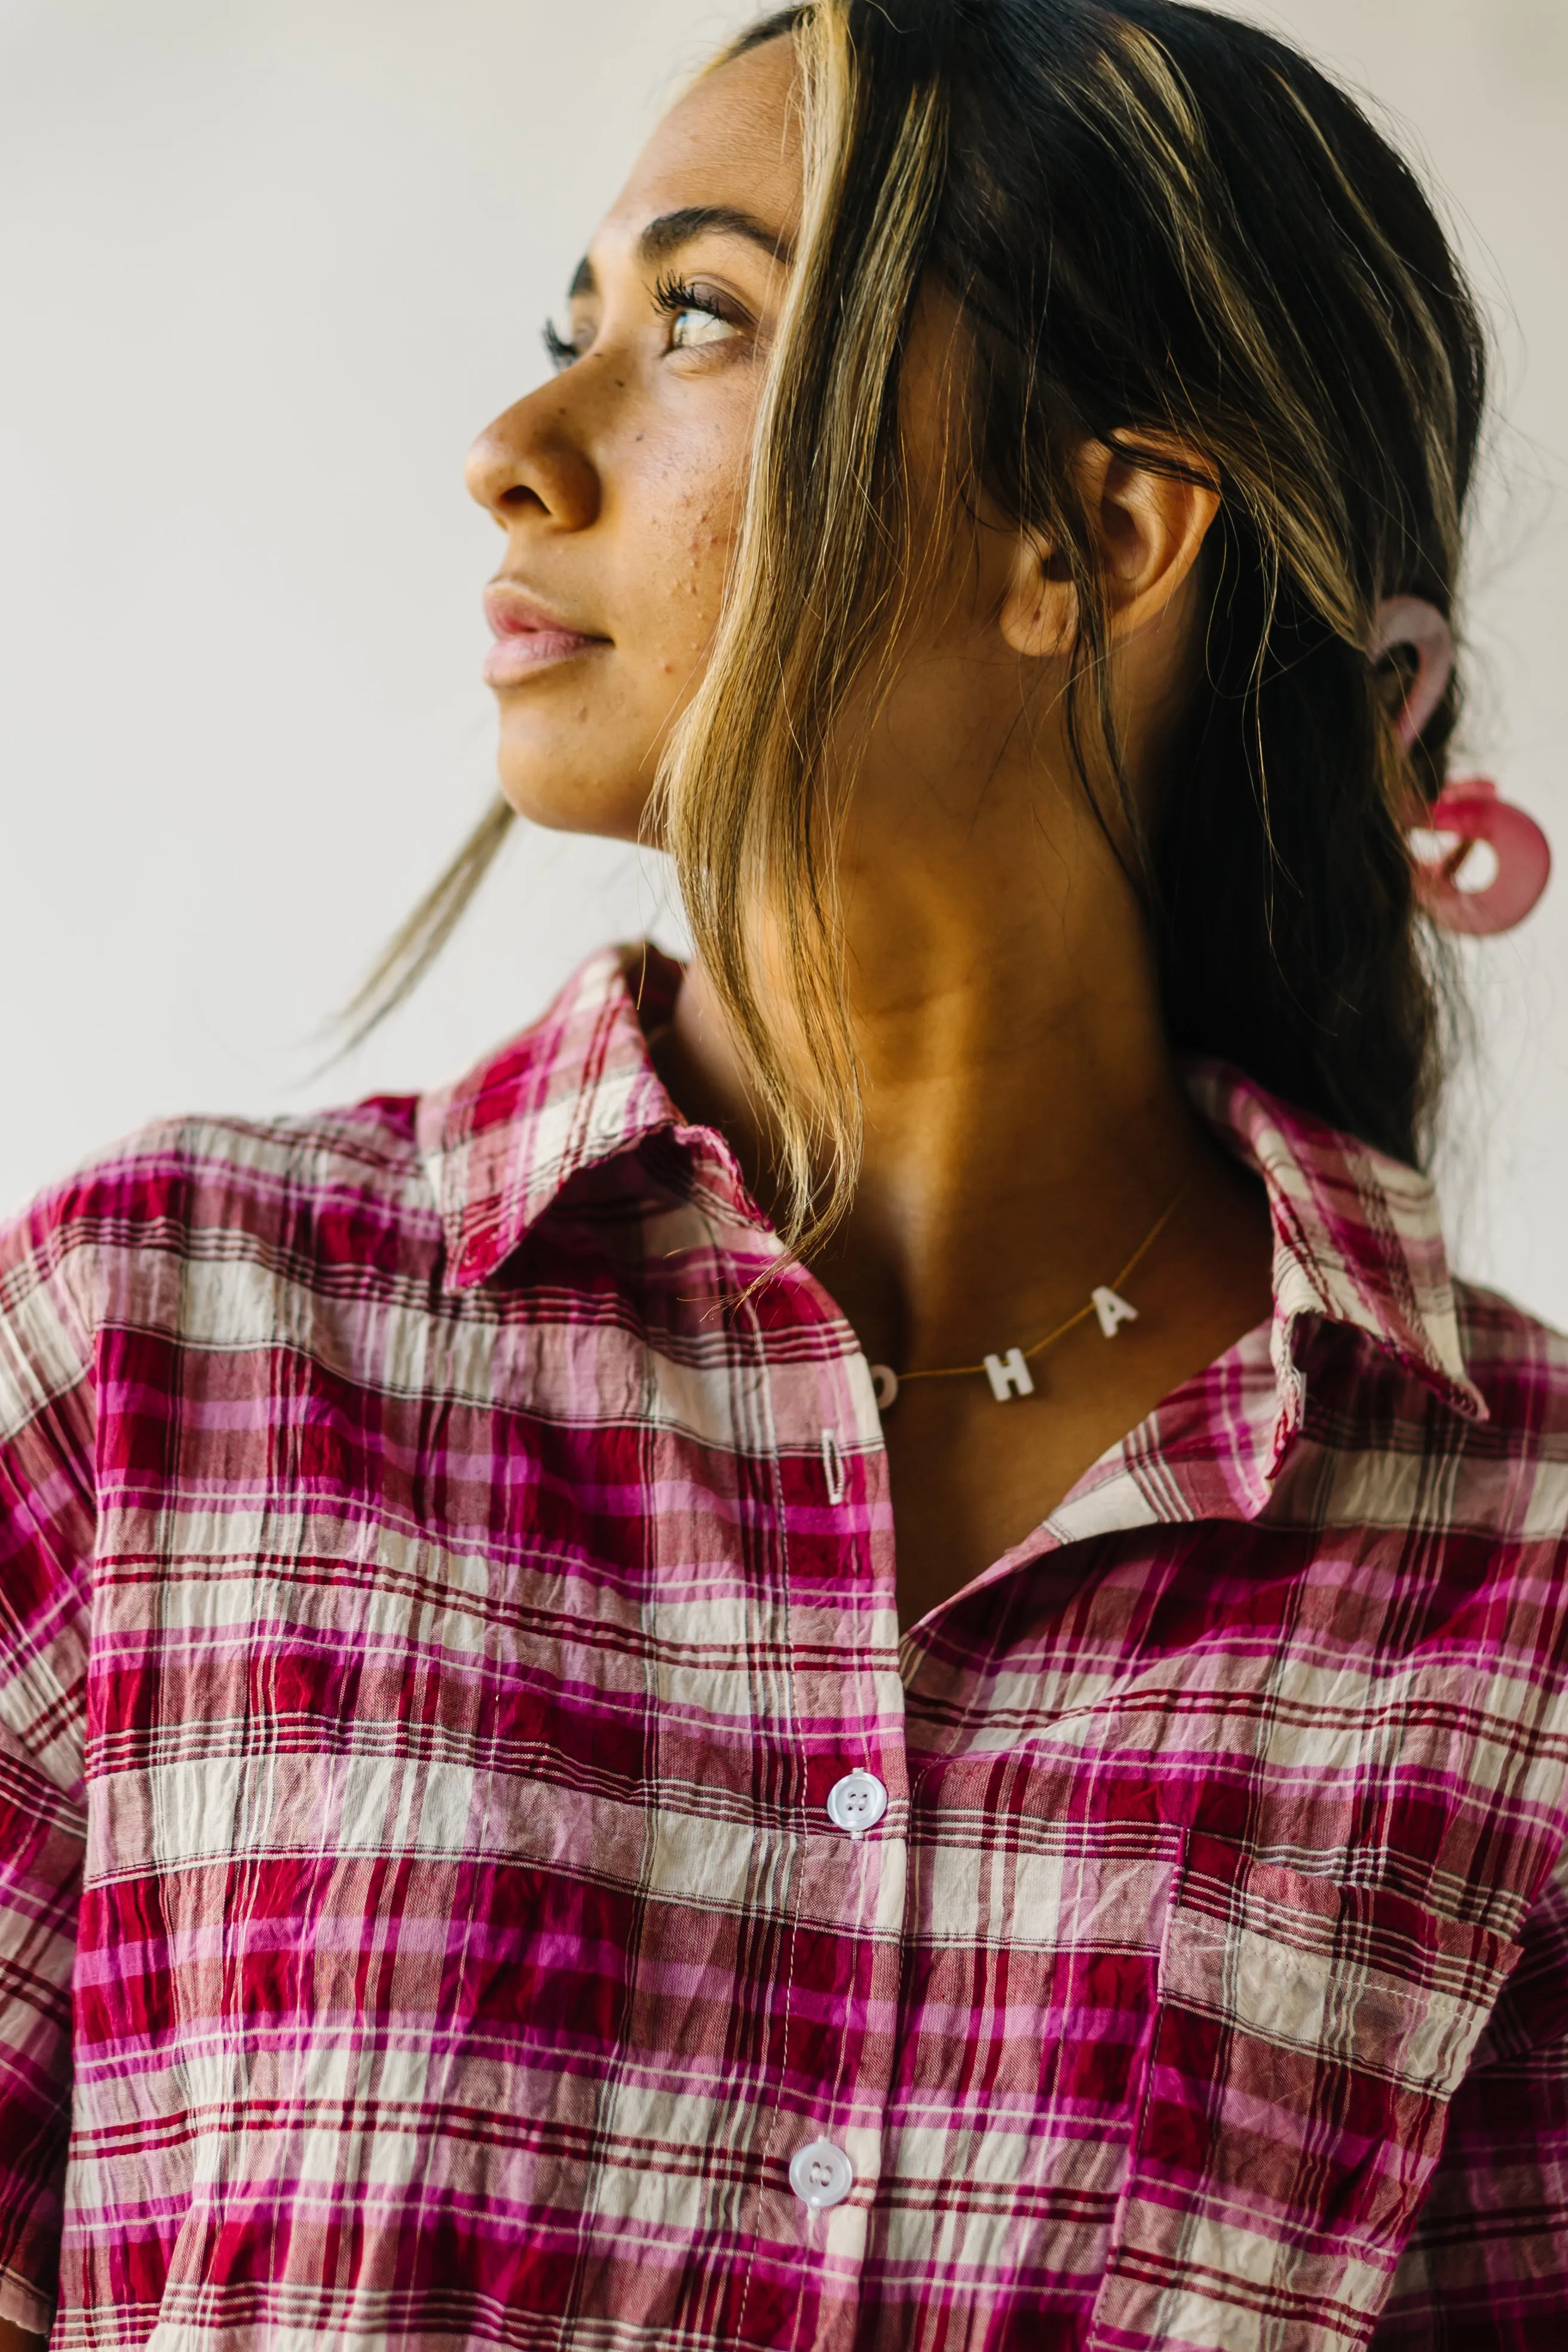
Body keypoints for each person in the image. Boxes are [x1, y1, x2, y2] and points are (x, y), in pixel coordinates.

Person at [1, 1, 1564, 2343]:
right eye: (573, 326)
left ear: (1095, 537)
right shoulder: (160, 1353)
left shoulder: (1512, 1571)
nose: (512, 451)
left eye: (702, 319)